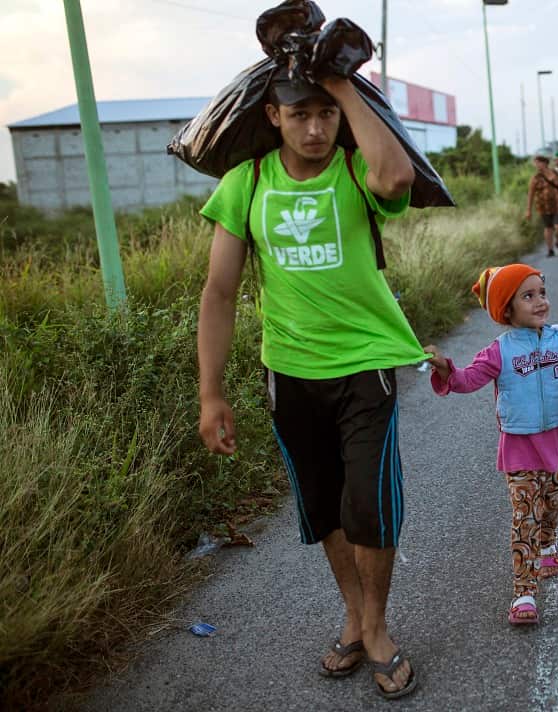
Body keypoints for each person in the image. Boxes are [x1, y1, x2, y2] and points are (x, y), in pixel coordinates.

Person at [197, 68, 420, 698]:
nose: (316, 128)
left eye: (327, 113)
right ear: (273, 116)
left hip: (365, 364)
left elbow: (398, 179)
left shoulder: (356, 170)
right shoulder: (246, 184)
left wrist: (343, 87)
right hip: (289, 371)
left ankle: (376, 628)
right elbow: (219, 290)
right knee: (324, 504)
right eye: (301, 114)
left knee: (368, 504)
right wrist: (210, 393)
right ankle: (353, 613)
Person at [424, 264, 558, 625]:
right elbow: (468, 379)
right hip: (519, 446)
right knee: (524, 517)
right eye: (528, 296)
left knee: (552, 505)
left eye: (542, 293)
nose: (540, 302)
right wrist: (444, 367)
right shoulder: (498, 351)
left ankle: (548, 543)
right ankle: (524, 593)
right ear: (507, 308)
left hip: (556, 440)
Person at [526, 155, 558, 257]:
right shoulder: (535, 178)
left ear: (545, 163)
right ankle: (550, 249)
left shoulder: (555, 173)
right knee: (548, 227)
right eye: (535, 163)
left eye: (538, 162)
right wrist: (528, 210)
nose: (537, 165)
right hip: (544, 206)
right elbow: (531, 194)